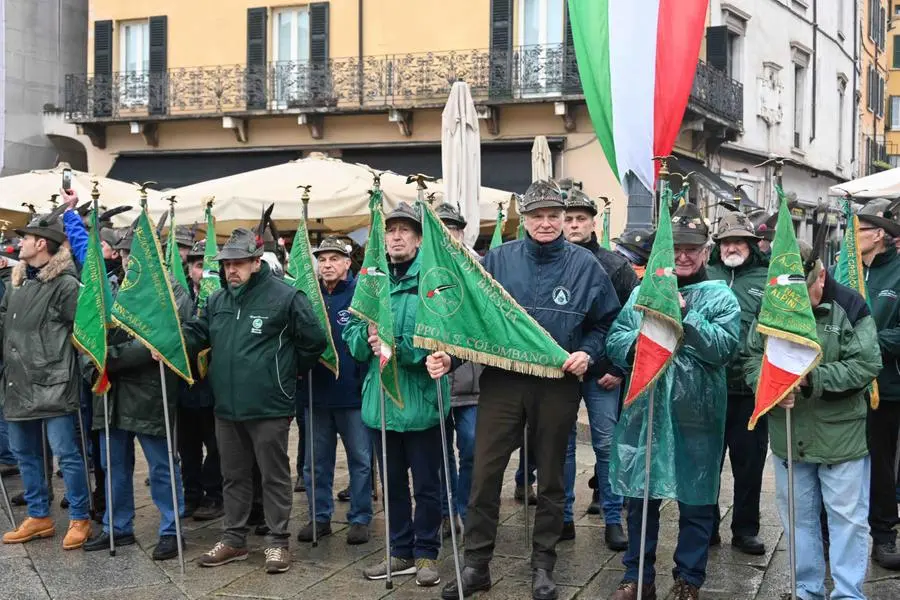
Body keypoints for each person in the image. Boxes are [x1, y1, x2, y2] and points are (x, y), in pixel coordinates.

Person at [432, 180, 620, 600]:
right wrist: (451, 358)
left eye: (555, 215)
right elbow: (472, 323)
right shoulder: (497, 260)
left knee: (551, 478)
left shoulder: (587, 265)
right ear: (525, 218)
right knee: (484, 474)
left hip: (557, 384)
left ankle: (543, 566)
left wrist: (588, 353)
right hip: (502, 383)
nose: (547, 223)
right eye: (537, 215)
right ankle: (477, 564)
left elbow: (607, 322)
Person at [607, 202, 741, 600]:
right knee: (640, 497)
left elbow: (723, 350)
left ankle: (688, 579)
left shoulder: (720, 297)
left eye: (692, 249)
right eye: (676, 248)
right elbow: (615, 342)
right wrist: (643, 344)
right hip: (644, 412)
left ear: (705, 252)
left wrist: (686, 316)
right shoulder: (641, 296)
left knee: (696, 499)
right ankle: (638, 577)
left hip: (697, 415)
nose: (683, 256)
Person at [178, 227, 326, 574]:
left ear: (256, 263)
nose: (232, 270)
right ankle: (234, 539)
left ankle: (277, 541)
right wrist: (172, 339)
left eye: (239, 263)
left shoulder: (286, 296)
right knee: (233, 475)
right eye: (227, 264)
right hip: (227, 406)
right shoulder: (218, 300)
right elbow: (200, 333)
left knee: (273, 475)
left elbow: (314, 340)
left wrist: (287, 372)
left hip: (270, 404)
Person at [745, 241, 882, 600]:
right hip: (789, 433)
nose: (801, 304)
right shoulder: (772, 305)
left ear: (821, 275)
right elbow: (750, 359)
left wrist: (809, 379)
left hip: (841, 437)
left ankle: (849, 593)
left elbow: (867, 364)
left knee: (847, 522)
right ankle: (806, 590)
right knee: (798, 520)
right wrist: (770, 387)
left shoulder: (850, 305)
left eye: (807, 293)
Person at [344, 202, 448, 587]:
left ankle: (426, 554)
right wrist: (367, 340)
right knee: (392, 485)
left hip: (421, 401)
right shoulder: (370, 281)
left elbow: (441, 334)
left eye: (405, 230)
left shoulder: (433, 280)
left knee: (426, 484)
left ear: (418, 238)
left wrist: (397, 349)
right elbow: (352, 337)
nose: (397, 236)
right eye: (391, 231)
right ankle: (400, 550)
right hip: (380, 404)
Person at [81, 225, 191, 560]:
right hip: (110, 396)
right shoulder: (107, 288)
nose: (131, 261)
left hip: (152, 394)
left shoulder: (172, 291)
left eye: (137, 254)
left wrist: (116, 359)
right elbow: (91, 349)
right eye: (127, 254)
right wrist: (130, 353)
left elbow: (176, 342)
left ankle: (172, 529)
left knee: (162, 467)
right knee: (112, 465)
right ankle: (117, 526)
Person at [0, 208, 93, 549]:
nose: (19, 243)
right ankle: (39, 516)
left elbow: (84, 332)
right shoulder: (18, 284)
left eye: (24, 238)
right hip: (18, 382)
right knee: (25, 453)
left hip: (54, 383)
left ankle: (81, 517)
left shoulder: (67, 285)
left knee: (67, 455)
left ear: (41, 243)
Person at [561, 188, 637, 550]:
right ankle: (562, 517)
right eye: (569, 218)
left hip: (604, 371)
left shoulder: (615, 265)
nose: (574, 224)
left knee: (607, 446)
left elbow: (629, 319)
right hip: (560, 369)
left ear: (593, 223)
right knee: (562, 446)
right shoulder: (551, 261)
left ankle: (611, 518)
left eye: (580, 219)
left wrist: (620, 367)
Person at [295, 235, 372, 546]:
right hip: (316, 394)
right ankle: (319, 517)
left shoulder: (361, 295)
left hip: (352, 395)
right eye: (322, 259)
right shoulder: (307, 296)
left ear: (347, 263)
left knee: (361, 460)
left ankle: (360, 517)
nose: (327, 265)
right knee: (316, 463)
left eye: (333, 259)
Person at [706, 210, 770, 555]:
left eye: (739, 241)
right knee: (706, 462)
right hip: (709, 386)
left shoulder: (767, 277)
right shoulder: (707, 274)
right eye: (727, 241)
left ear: (751, 244)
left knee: (749, 464)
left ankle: (746, 529)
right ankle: (707, 525)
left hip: (750, 390)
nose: (733, 247)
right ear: (718, 246)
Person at [854, 199, 900, 570]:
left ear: (879, 235)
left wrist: (869, 344)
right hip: (849, 385)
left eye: (859, 231)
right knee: (849, 465)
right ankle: (839, 532)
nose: (852, 237)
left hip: (888, 387)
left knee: (882, 465)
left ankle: (884, 536)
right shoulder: (847, 272)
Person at [435, 203, 482, 540]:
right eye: (439, 229)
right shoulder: (420, 272)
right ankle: (446, 511)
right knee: (438, 453)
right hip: (433, 381)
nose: (446, 235)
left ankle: (465, 507)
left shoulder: (480, 269)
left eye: (451, 229)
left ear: (461, 232)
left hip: (471, 382)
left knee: (471, 447)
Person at [178, 240, 223, 522]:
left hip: (214, 387)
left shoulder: (220, 299)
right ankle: (191, 494)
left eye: (207, 266)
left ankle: (214, 495)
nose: (202, 272)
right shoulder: (183, 300)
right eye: (197, 266)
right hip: (185, 384)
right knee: (187, 447)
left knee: (216, 446)